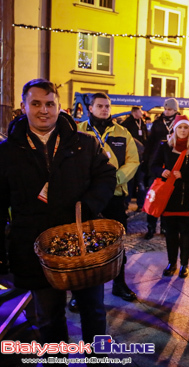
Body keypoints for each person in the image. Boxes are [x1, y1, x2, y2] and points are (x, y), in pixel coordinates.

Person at [0, 79, 116, 354]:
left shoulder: (84, 143)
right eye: (36, 103)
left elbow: (107, 174)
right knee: (49, 317)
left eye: (50, 103)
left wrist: (88, 206)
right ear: (23, 106)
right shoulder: (6, 152)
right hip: (35, 248)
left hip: (82, 244)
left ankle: (97, 358)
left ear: (59, 106)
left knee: (94, 314)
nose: (44, 110)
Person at [76, 92, 140, 304]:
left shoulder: (123, 132)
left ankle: (119, 284)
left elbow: (133, 161)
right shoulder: (78, 131)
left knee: (117, 243)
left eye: (107, 106)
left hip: (114, 196)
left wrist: (114, 179)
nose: (104, 109)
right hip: (86, 196)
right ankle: (80, 292)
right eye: (100, 106)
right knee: (83, 244)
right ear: (91, 109)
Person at [150, 115, 189, 278]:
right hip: (168, 197)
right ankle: (172, 262)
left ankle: (184, 264)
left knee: (186, 231)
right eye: (180, 127)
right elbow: (153, 165)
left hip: (187, 196)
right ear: (175, 129)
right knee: (170, 232)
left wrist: (184, 175)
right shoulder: (165, 146)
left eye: (185, 127)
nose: (182, 130)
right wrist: (161, 171)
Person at [144, 98, 180, 240]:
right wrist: (146, 161)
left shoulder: (180, 122)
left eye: (170, 109)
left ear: (175, 110)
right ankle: (151, 227)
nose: (167, 111)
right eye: (165, 109)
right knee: (154, 195)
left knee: (167, 197)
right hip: (156, 162)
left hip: (172, 163)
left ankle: (165, 227)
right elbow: (150, 142)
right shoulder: (158, 123)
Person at [122, 106, 148, 211]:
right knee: (129, 182)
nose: (141, 112)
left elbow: (146, 137)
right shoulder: (127, 123)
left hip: (141, 157)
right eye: (139, 111)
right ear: (134, 112)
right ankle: (126, 203)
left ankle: (141, 204)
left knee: (140, 181)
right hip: (130, 157)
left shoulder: (142, 122)